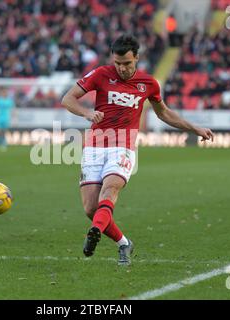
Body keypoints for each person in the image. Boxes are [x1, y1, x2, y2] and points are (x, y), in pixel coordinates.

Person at [61, 35, 213, 266]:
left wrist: (195, 128)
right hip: (94, 145)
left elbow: (164, 113)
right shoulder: (101, 74)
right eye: (118, 63)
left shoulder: (148, 83)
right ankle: (124, 243)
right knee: (92, 208)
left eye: (127, 63)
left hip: (123, 146)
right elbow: (68, 99)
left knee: (110, 189)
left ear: (137, 58)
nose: (122, 68)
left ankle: (95, 232)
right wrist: (87, 114)